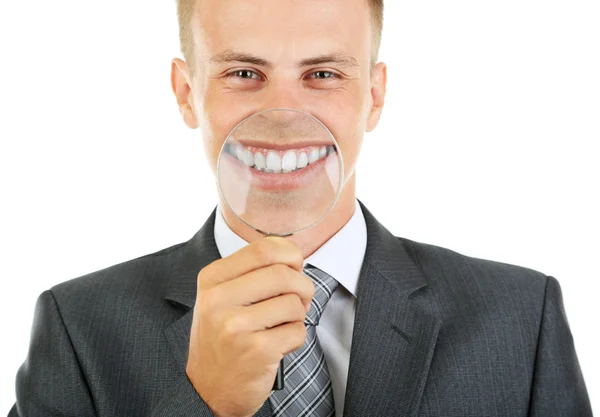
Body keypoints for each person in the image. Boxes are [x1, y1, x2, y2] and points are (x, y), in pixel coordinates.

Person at [9, 0, 593, 416]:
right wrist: (202, 402)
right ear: (187, 93)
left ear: (374, 95)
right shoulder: (79, 328)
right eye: (244, 73)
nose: (284, 115)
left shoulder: (520, 318)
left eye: (322, 74)